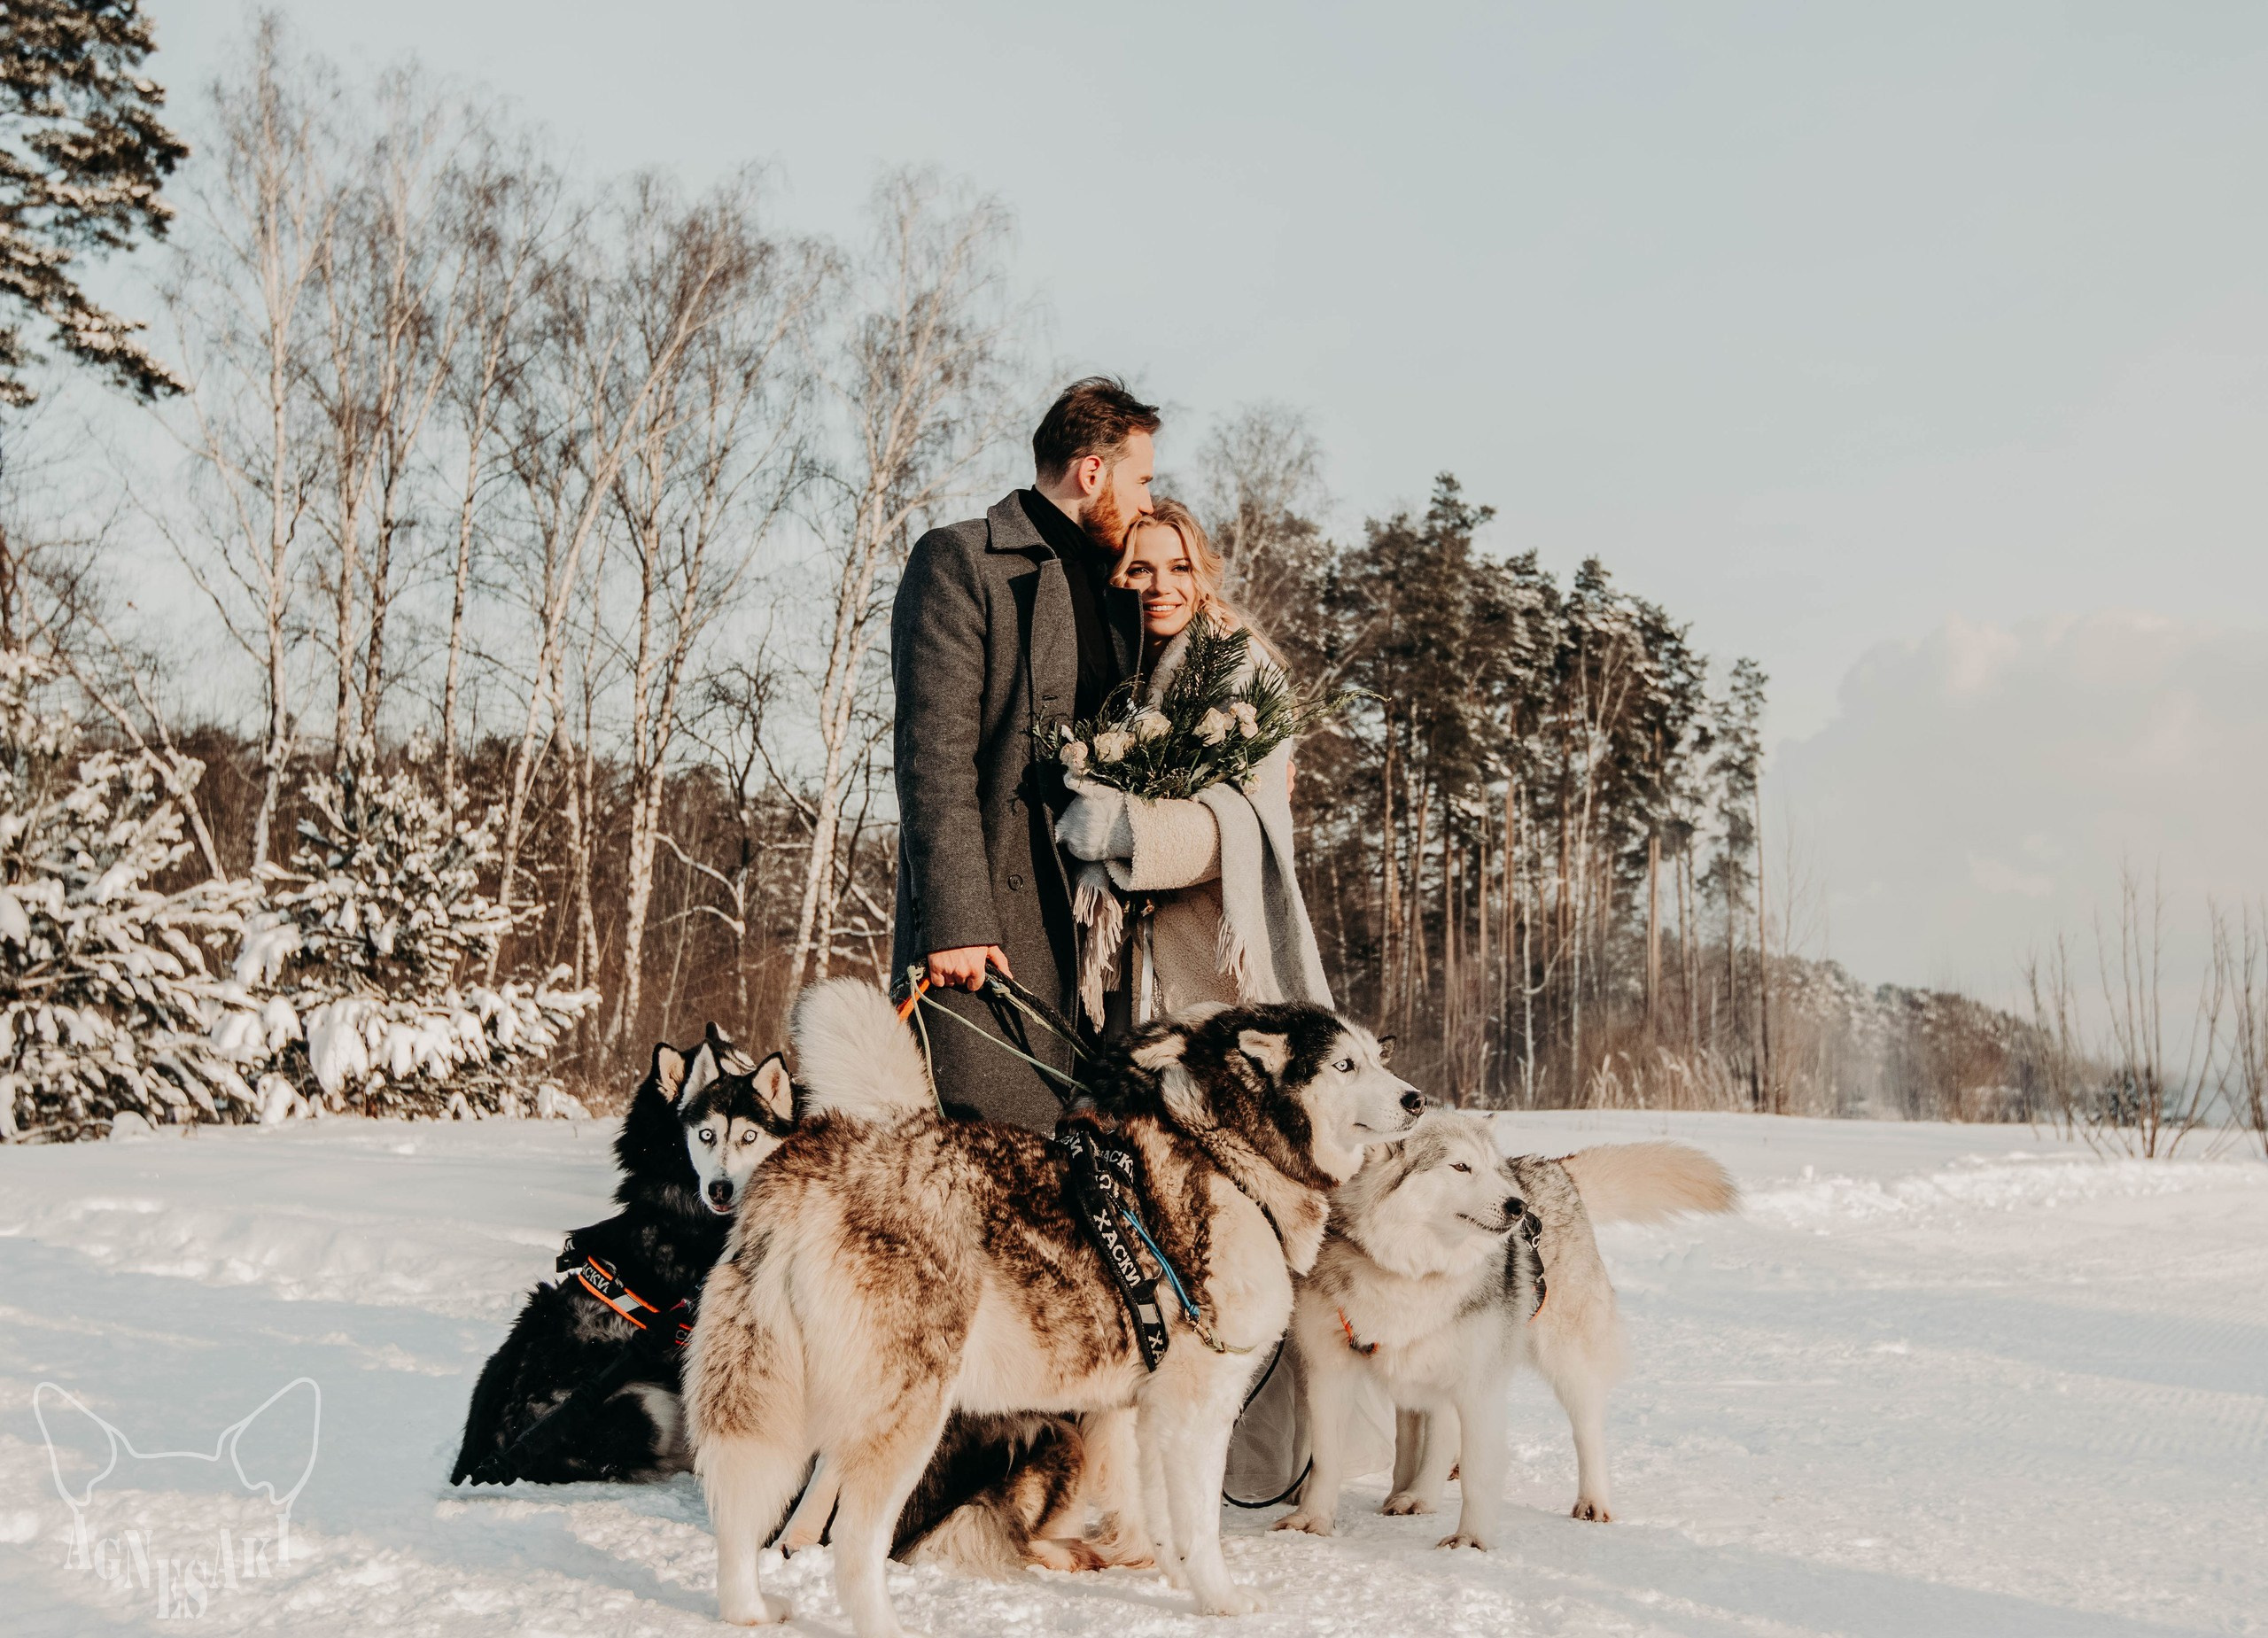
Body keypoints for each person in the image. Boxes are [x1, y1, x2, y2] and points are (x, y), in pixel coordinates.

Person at [888, 377, 1157, 1130]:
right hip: (997, 928)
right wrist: (955, 919)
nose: (1146, 502)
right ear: (1093, 471)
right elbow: (932, 753)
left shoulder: (1126, 593)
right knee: (985, 1167)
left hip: (1107, 931)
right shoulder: (961, 561)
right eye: (1141, 479)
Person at [1052, 501, 1333, 1024]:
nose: (1162, 587)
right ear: (1114, 577)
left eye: (1179, 567)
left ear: (1201, 576)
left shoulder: (1243, 670)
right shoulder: (1111, 673)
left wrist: (1116, 831)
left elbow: (1250, 832)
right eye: (1140, 569)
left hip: (1212, 967)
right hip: (1130, 967)